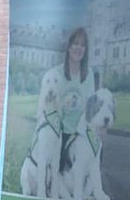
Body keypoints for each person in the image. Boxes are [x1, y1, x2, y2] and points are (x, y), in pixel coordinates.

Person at [37, 26, 97, 156]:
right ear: (69, 47)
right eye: (75, 43)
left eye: (82, 45)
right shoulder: (55, 74)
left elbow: (91, 108)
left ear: (85, 50)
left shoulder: (89, 75)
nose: (78, 48)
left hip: (79, 135)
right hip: (58, 134)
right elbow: (45, 107)